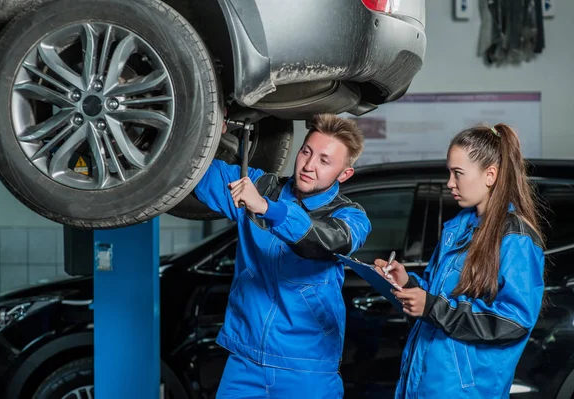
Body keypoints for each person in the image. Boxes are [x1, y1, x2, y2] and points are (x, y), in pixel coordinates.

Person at [194, 113, 372, 398]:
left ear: (344, 174)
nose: (308, 166)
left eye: (324, 161)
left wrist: (268, 208)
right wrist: (210, 130)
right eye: (306, 152)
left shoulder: (350, 216)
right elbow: (191, 171)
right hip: (244, 361)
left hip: (307, 369)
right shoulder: (259, 186)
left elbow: (323, 240)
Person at [374, 123, 545, 398]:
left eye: (458, 173)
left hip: (465, 388)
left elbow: (514, 321)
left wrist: (432, 308)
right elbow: (437, 294)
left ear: (490, 175)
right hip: (428, 380)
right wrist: (406, 281)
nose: (450, 183)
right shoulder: (458, 227)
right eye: (449, 173)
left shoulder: (516, 237)